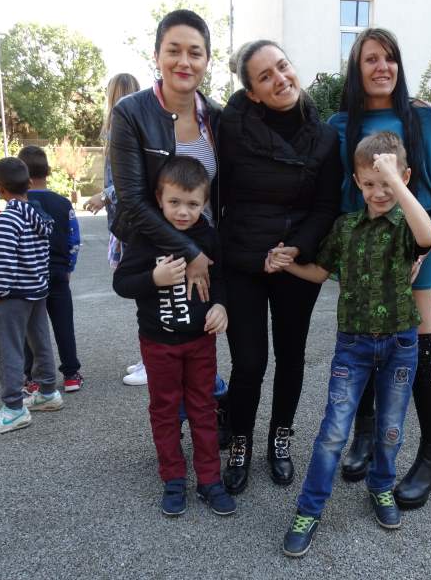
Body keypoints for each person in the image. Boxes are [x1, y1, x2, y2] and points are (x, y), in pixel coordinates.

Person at [278, 133, 431, 557]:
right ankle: (309, 509)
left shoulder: (407, 224)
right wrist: (287, 264)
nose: (379, 192)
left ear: (404, 178)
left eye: (387, 183)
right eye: (369, 183)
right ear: (357, 182)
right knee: (333, 432)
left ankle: (381, 486)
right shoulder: (346, 226)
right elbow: (319, 271)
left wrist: (395, 181)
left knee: (390, 428)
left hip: (401, 343)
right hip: (353, 345)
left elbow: (428, 238)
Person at [330, 28, 431, 508]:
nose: (382, 67)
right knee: (361, 343)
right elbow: (338, 196)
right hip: (363, 255)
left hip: (413, 252)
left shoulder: (423, 118)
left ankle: (430, 455)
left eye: (390, 58)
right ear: (356, 68)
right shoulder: (340, 124)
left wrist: (426, 247)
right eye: (371, 59)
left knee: (418, 348)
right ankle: (364, 435)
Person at [218, 39, 341, 494]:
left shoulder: (325, 136)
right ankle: (241, 443)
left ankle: (280, 438)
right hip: (243, 260)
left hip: (295, 262)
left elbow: (326, 205)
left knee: (291, 356)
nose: (280, 79)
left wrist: (296, 248)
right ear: (252, 92)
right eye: (265, 76)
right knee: (249, 362)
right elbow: (218, 195)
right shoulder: (230, 127)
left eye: (282, 67)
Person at [109, 9, 224, 405]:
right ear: (157, 55)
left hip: (206, 247)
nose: (184, 61)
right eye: (173, 50)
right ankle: (173, 426)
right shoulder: (131, 113)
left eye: (195, 52)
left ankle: (208, 414)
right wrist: (189, 253)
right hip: (155, 248)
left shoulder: (218, 117)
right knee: (167, 345)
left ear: (207, 59)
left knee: (203, 341)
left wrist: (208, 251)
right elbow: (133, 200)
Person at [113, 156, 235, 517]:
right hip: (158, 343)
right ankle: (173, 478)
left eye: (193, 204)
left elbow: (220, 278)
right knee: (165, 411)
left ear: (205, 202)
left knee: (203, 409)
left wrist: (220, 305)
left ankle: (210, 480)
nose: (183, 212)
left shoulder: (208, 236)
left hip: (200, 342)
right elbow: (122, 283)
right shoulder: (145, 236)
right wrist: (154, 279)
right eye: (174, 202)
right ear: (159, 198)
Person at [0, 158, 60, 436]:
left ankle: (13, 408)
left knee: (9, 349)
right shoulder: (38, 215)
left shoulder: (7, 219)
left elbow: (4, 263)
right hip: (37, 290)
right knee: (40, 341)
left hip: (13, 295)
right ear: (28, 183)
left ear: (0, 189)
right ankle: (47, 391)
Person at [85, 73, 144, 385]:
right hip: (127, 220)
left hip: (133, 221)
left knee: (144, 290)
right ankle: (149, 357)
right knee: (142, 291)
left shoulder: (125, 126)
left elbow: (133, 178)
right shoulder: (136, 122)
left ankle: (153, 360)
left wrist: (105, 195)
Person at [18, 146, 84, 393]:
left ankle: (33, 377)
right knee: (63, 323)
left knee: (30, 328)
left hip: (29, 275)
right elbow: (74, 238)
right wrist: (69, 266)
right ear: (47, 171)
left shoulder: (18, 205)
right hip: (58, 271)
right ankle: (71, 374)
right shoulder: (62, 203)